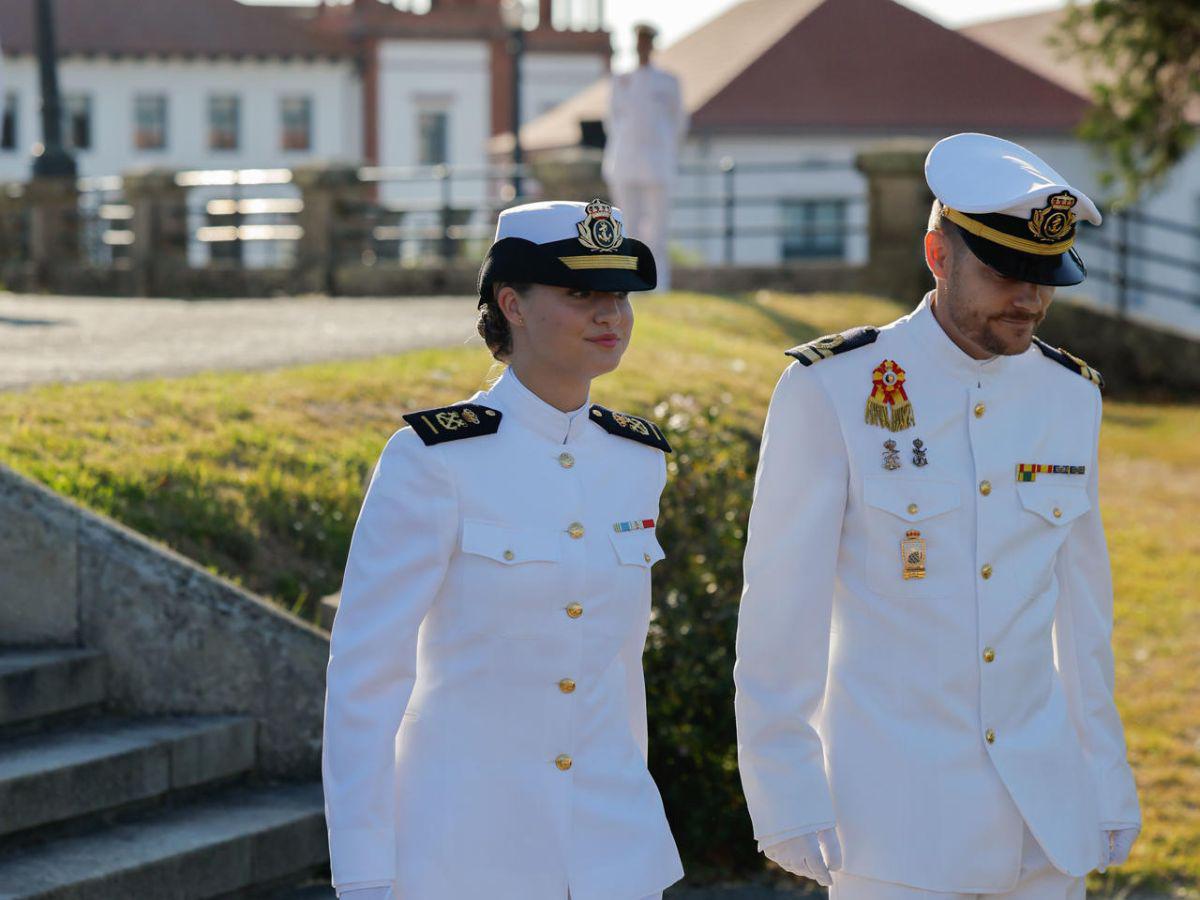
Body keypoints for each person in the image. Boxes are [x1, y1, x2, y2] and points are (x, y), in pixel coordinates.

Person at [734, 132, 1141, 899]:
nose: (1029, 298)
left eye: (1045, 276)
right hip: (894, 828)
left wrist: (1106, 777)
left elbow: (1085, 620)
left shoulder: (1070, 396)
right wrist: (785, 791)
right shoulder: (833, 388)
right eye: (1005, 272)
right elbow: (780, 616)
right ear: (938, 254)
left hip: (1044, 824)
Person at [322, 198, 683, 900]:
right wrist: (365, 874)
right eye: (582, 294)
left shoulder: (637, 460)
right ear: (512, 304)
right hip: (467, 855)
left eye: (619, 296)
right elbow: (366, 678)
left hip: (613, 851)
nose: (610, 314)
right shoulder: (434, 460)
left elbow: (619, 670)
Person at [603, 22, 687, 293]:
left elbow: (678, 123)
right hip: (625, 161)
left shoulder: (668, 81)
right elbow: (612, 120)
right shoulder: (621, 80)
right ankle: (631, 280)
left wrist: (666, 151)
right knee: (628, 225)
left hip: (658, 162)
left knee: (658, 229)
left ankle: (659, 283)